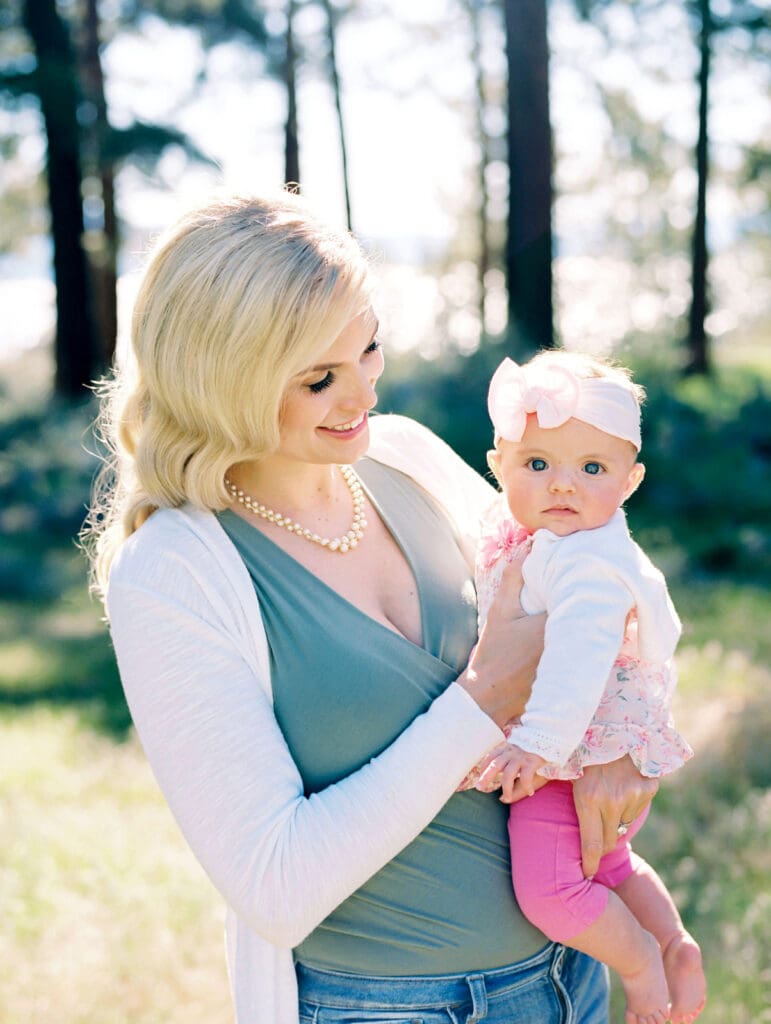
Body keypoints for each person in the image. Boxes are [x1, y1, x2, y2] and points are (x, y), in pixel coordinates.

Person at [85, 191, 659, 1024]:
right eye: (319, 378)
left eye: (369, 351)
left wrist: (620, 741)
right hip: (394, 1007)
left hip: (572, 973)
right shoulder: (174, 572)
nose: (360, 395)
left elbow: (590, 574)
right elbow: (275, 886)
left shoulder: (404, 456)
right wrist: (480, 702)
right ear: (222, 379)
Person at [462, 351, 706, 1024]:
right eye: (537, 465)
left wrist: (535, 745)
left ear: (629, 482)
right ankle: (672, 939)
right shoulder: (547, 540)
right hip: (597, 752)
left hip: (570, 756)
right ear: (498, 467)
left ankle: (639, 964)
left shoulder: (586, 562)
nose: (561, 485)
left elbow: (574, 658)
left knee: (551, 892)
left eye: (590, 469)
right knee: (610, 865)